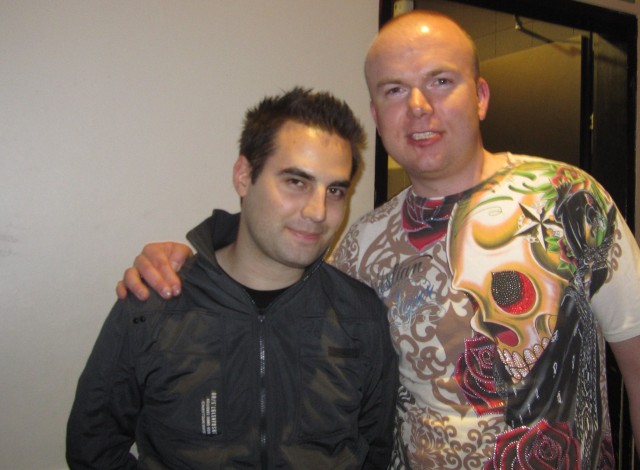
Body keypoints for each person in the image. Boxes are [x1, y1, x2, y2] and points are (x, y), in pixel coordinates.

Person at [116, 11, 640, 469]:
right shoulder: (359, 244)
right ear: (376, 116)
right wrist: (185, 266)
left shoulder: (569, 199)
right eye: (394, 90)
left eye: (440, 80)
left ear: (480, 96)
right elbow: (265, 298)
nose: (418, 106)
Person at [67, 87, 399, 469]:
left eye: (335, 190)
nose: (318, 211)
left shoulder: (360, 316)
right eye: (296, 182)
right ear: (243, 176)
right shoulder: (153, 303)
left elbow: (374, 451)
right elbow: (93, 450)